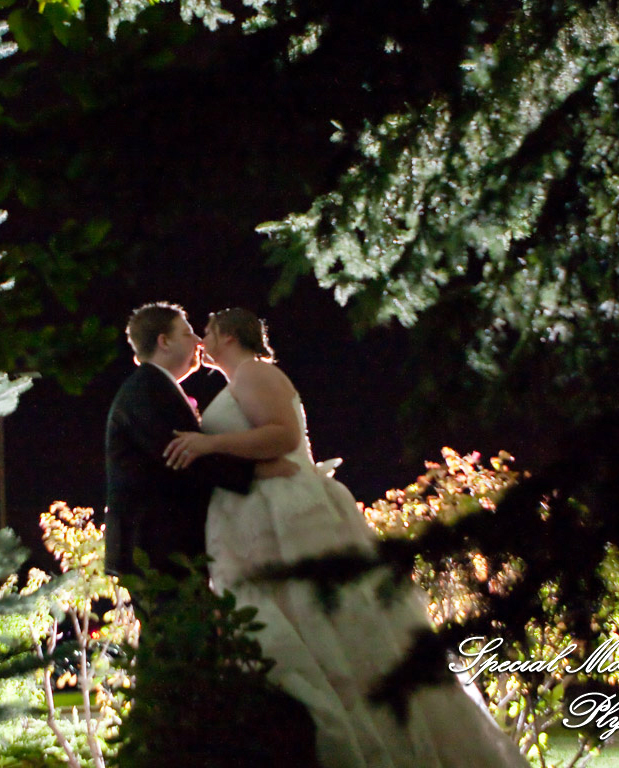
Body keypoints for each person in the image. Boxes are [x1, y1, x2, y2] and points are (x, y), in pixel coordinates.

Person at [163, 308, 528, 768]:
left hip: (285, 515)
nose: (202, 339)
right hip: (258, 514)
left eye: (210, 330)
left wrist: (209, 444)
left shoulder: (255, 374)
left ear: (232, 335)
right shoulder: (240, 380)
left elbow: (282, 435)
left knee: (319, 622)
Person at [103, 302, 295, 599]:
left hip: (167, 547)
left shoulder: (156, 388)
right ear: (163, 342)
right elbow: (185, 458)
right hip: (157, 548)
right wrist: (259, 471)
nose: (197, 342)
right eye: (187, 333)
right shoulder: (147, 390)